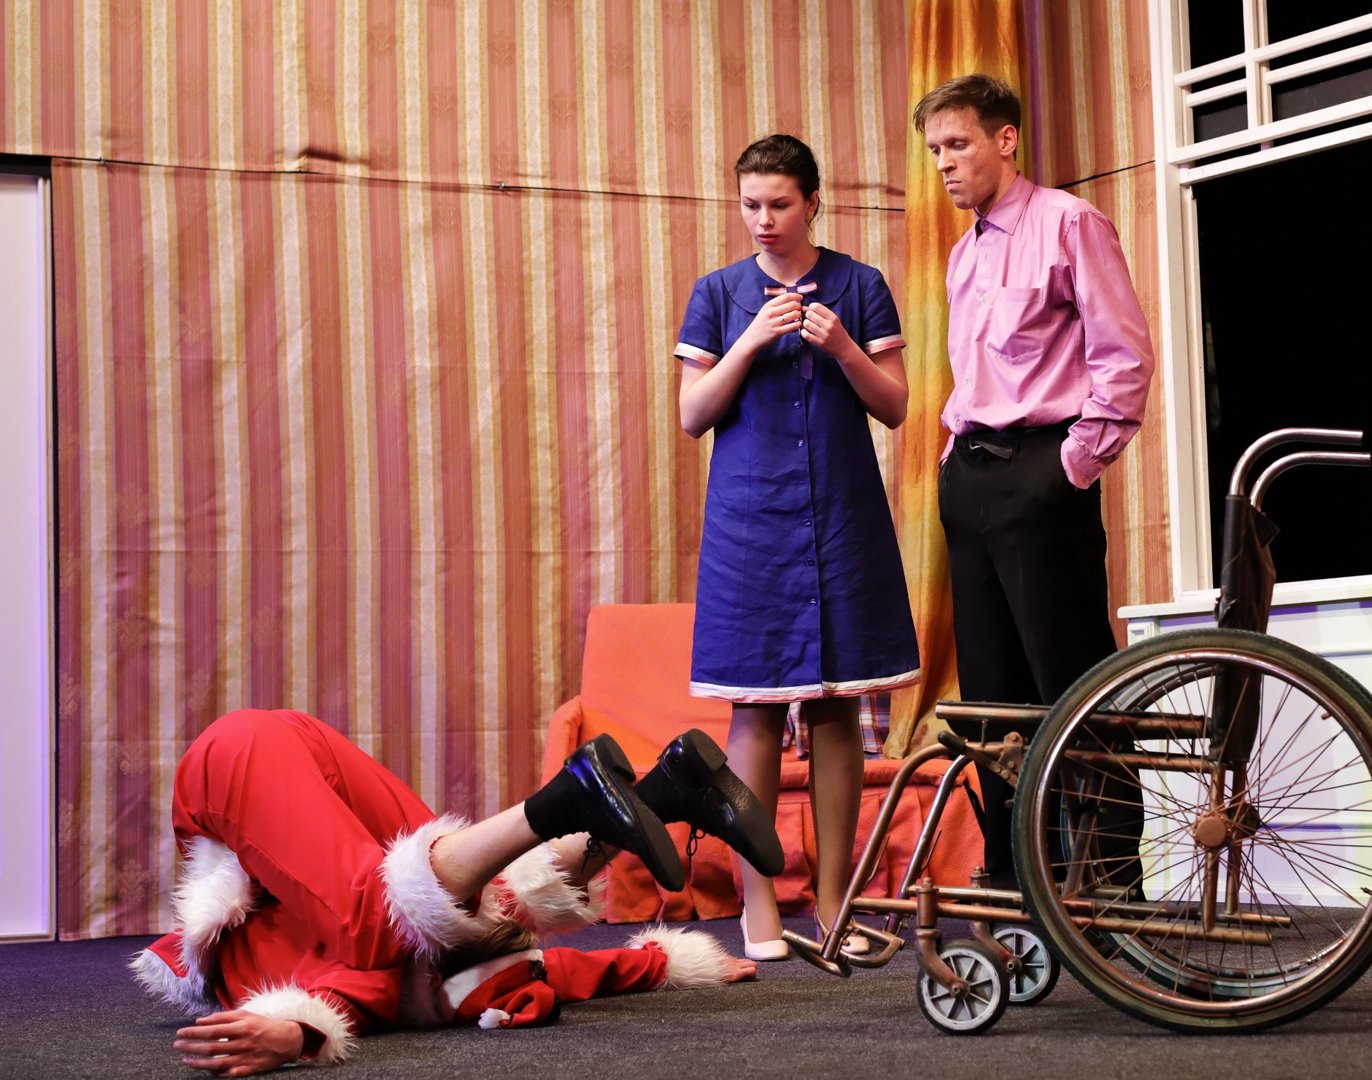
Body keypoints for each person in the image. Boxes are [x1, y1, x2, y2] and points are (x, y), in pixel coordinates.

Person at [130, 709, 777, 1074]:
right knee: (479, 897)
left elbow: (328, 1004)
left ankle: (562, 800)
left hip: (232, 765)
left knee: (380, 921)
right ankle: (672, 788)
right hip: (292, 759)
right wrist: (670, 962)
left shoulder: (378, 980)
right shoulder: (449, 968)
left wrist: (296, 1035)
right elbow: (574, 970)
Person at [673, 134, 920, 960]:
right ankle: (759, 907)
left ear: (812, 202)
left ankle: (834, 901)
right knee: (752, 707)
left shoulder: (860, 284)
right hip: (750, 528)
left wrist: (842, 347)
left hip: (842, 521)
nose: (762, 220)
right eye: (750, 204)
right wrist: (749, 341)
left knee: (835, 704)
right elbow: (692, 414)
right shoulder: (716, 294)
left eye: (778, 203)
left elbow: (894, 406)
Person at [913, 74, 1155, 888]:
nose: (943, 164)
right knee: (991, 702)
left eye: (956, 144)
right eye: (934, 151)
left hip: (1042, 474)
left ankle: (1111, 887)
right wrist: (952, 460)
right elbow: (975, 377)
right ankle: (1019, 883)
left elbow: (1123, 358)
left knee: (1074, 683)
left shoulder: (1068, 223)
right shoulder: (963, 252)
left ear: (1004, 139)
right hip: (971, 480)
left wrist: (1070, 467)